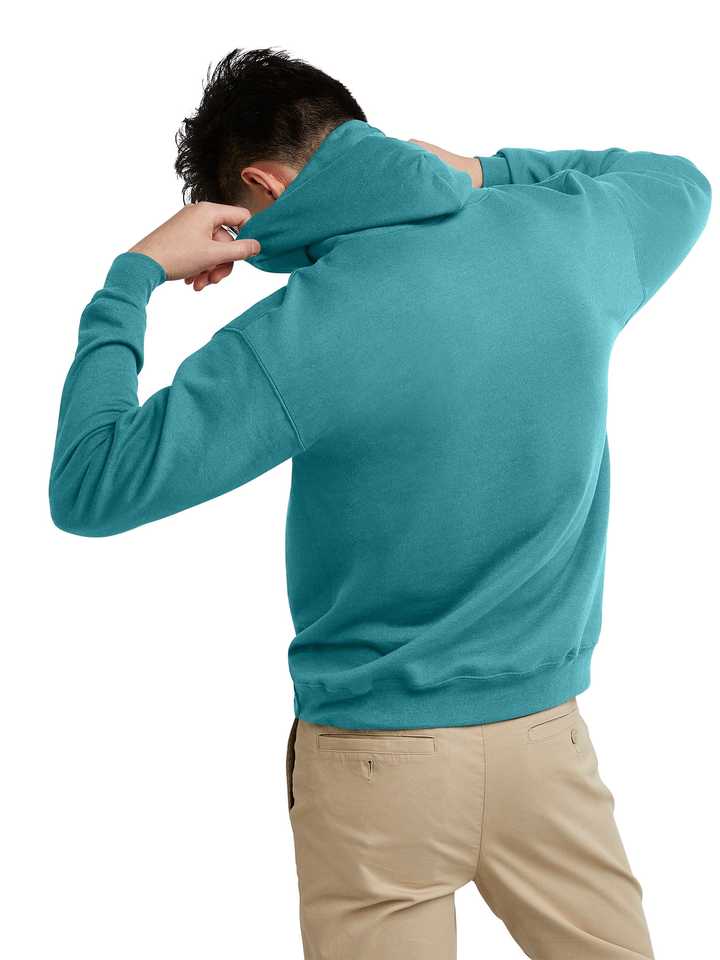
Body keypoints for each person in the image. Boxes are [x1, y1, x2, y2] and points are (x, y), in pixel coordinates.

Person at [49, 47, 711, 960]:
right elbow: (679, 183)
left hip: (375, 764)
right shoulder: (569, 235)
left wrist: (133, 276)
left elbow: (90, 484)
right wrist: (481, 171)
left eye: (244, 224)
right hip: (547, 747)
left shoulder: (297, 331)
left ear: (263, 184)